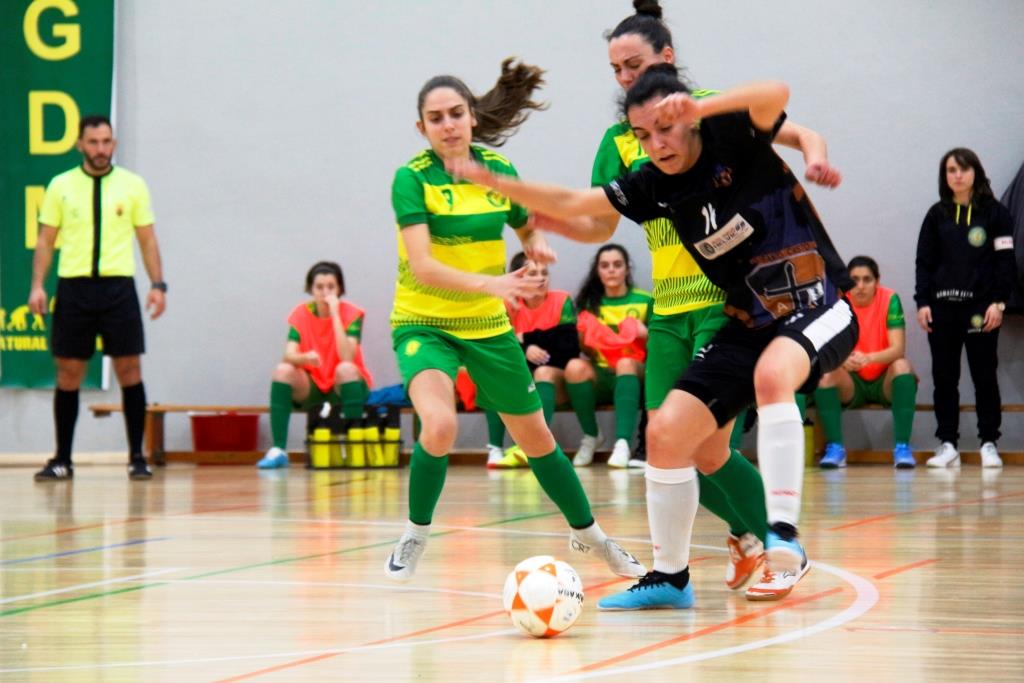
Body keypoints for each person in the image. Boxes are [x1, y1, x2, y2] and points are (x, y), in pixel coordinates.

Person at [449, 66, 855, 609]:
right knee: (665, 434)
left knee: (772, 375)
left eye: (663, 128)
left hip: (817, 301)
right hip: (746, 319)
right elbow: (574, 203)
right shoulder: (655, 186)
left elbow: (777, 90)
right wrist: (494, 181)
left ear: (686, 118)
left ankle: (782, 535)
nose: (655, 144)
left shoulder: (731, 134)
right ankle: (670, 577)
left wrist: (698, 107)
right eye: (642, 135)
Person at [543, 0, 842, 599]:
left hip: (725, 298)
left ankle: (776, 540)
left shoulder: (710, 115)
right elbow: (599, 224)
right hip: (667, 307)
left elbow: (791, 126)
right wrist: (538, 223)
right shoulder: (619, 139)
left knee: (712, 442)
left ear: (666, 58)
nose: (626, 78)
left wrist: (812, 150)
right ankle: (741, 538)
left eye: (634, 64)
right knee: (671, 439)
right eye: (616, 70)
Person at [385, 59, 645, 582]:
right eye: (436, 118)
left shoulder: (498, 172)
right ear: (422, 129)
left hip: (486, 328)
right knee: (438, 425)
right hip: (424, 323)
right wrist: (498, 285)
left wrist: (535, 248)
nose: (448, 124)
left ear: (472, 118)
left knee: (540, 441)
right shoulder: (410, 180)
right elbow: (424, 265)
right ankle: (415, 533)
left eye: (456, 113)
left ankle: (593, 536)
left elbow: (527, 228)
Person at [28, 115, 166, 482]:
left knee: (129, 370)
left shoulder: (132, 185)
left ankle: (137, 456)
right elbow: (45, 240)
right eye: (93, 142)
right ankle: (62, 459)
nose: (101, 149)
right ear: (80, 144)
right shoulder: (61, 185)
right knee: (69, 372)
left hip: (118, 288)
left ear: (114, 144)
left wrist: (158, 284)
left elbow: (147, 239)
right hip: (74, 288)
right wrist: (37, 285)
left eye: (106, 142)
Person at [915, 148, 1015, 469]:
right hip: (942, 311)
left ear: (975, 172)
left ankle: (989, 443)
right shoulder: (936, 215)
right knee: (944, 378)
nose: (957, 175)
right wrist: (922, 303)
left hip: (981, 311)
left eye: (963, 169)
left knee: (984, 375)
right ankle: (948, 445)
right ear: (945, 177)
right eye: (950, 171)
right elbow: (924, 263)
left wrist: (999, 302)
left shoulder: (995, 214)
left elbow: (1006, 262)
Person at [258, 261, 373, 468]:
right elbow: (288, 355)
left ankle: (353, 445)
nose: (325, 292)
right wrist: (304, 359)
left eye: (331, 287)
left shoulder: (353, 314)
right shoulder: (300, 314)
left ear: (340, 290)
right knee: (283, 371)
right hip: (314, 386)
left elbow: (347, 356)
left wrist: (336, 314)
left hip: (345, 385)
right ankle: (278, 450)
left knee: (345, 369)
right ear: (311, 289)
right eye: (319, 287)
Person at [815, 256, 918, 469]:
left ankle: (902, 448)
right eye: (854, 279)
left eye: (867, 279)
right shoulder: (837, 302)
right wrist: (843, 361)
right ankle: (835, 448)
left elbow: (898, 349)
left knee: (903, 366)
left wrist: (868, 358)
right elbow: (825, 347)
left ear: (877, 282)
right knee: (825, 375)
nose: (860, 286)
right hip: (852, 381)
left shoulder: (890, 299)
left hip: (883, 379)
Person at [486, 252, 580, 468]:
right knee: (493, 375)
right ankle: (495, 447)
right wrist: (528, 347)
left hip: (557, 378)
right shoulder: (507, 304)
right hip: (520, 378)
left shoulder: (561, 299)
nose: (541, 278)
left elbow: (568, 349)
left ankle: (535, 448)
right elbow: (500, 349)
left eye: (545, 273)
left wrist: (526, 339)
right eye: (533, 273)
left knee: (543, 371)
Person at [566, 244, 652, 468]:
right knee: (574, 367)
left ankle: (622, 443)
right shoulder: (589, 304)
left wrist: (646, 334)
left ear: (627, 269)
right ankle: (591, 436)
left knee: (625, 363)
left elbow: (663, 346)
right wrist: (585, 341)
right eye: (605, 266)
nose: (611, 270)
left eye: (617, 265)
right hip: (602, 372)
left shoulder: (645, 300)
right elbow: (586, 351)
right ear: (598, 271)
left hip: (636, 373)